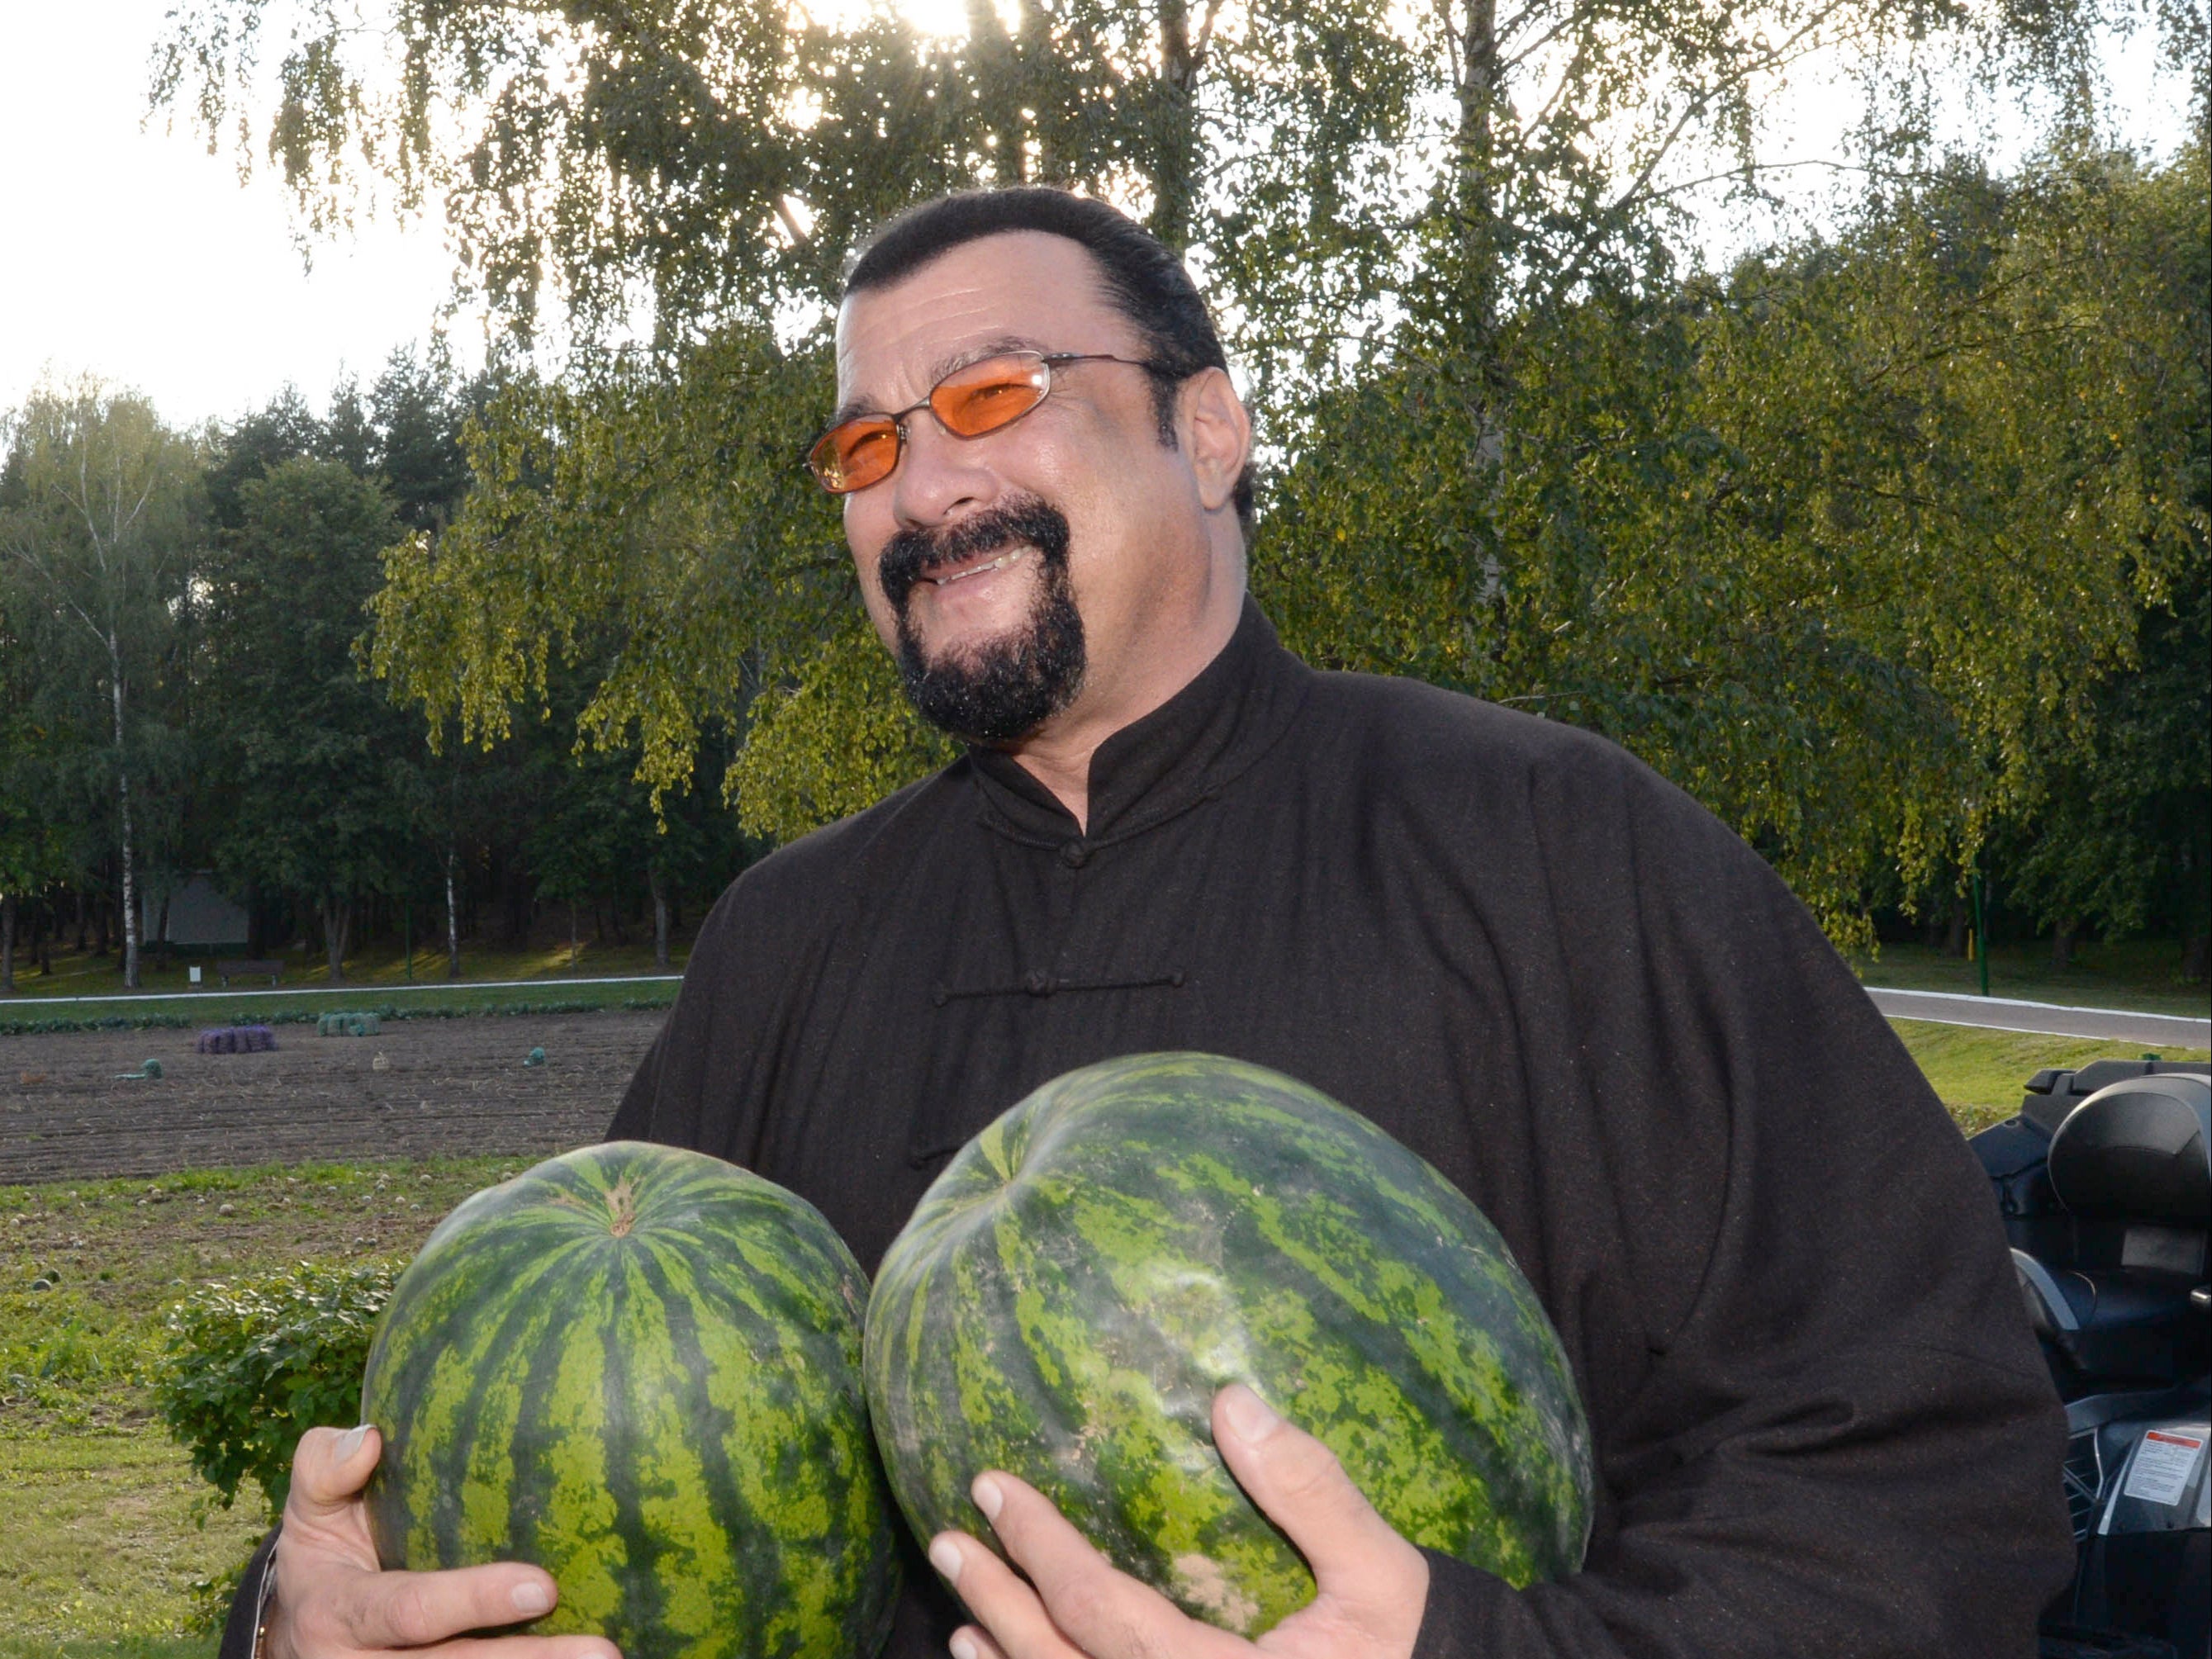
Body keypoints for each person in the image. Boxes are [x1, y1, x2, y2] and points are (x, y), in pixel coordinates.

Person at [225, 187, 2073, 1659]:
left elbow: (1923, 1478)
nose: (921, 486)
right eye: (863, 449)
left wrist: (1476, 1650)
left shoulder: (1549, 844)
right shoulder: (787, 945)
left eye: (990, 397)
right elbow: (567, 1474)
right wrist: (305, 1623)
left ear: (1211, 427)